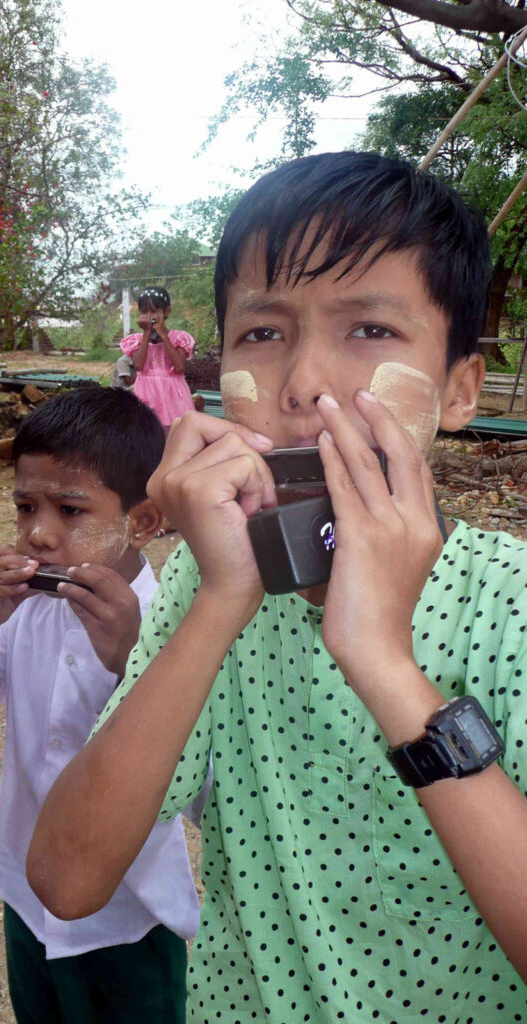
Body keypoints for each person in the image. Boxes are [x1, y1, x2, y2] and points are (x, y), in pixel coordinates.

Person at [27, 152, 527, 1023]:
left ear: (459, 389)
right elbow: (67, 880)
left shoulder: (510, 602)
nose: (303, 386)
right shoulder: (214, 583)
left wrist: (381, 659)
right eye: (264, 332)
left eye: (369, 329)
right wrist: (220, 600)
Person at [0, 385, 202, 1024]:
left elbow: (206, 790)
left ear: (142, 521)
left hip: (131, 914)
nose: (38, 534)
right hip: (27, 896)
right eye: (25, 506)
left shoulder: (176, 625)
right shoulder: (20, 613)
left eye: (70, 510)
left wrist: (132, 662)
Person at [121, 286, 195, 430]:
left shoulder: (178, 337)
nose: (149, 316)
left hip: (172, 393)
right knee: (148, 431)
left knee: (176, 431)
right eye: (144, 312)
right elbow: (138, 366)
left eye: (154, 311)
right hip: (146, 393)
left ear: (166, 311)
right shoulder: (136, 340)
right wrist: (147, 333)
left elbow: (179, 368)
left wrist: (163, 336)